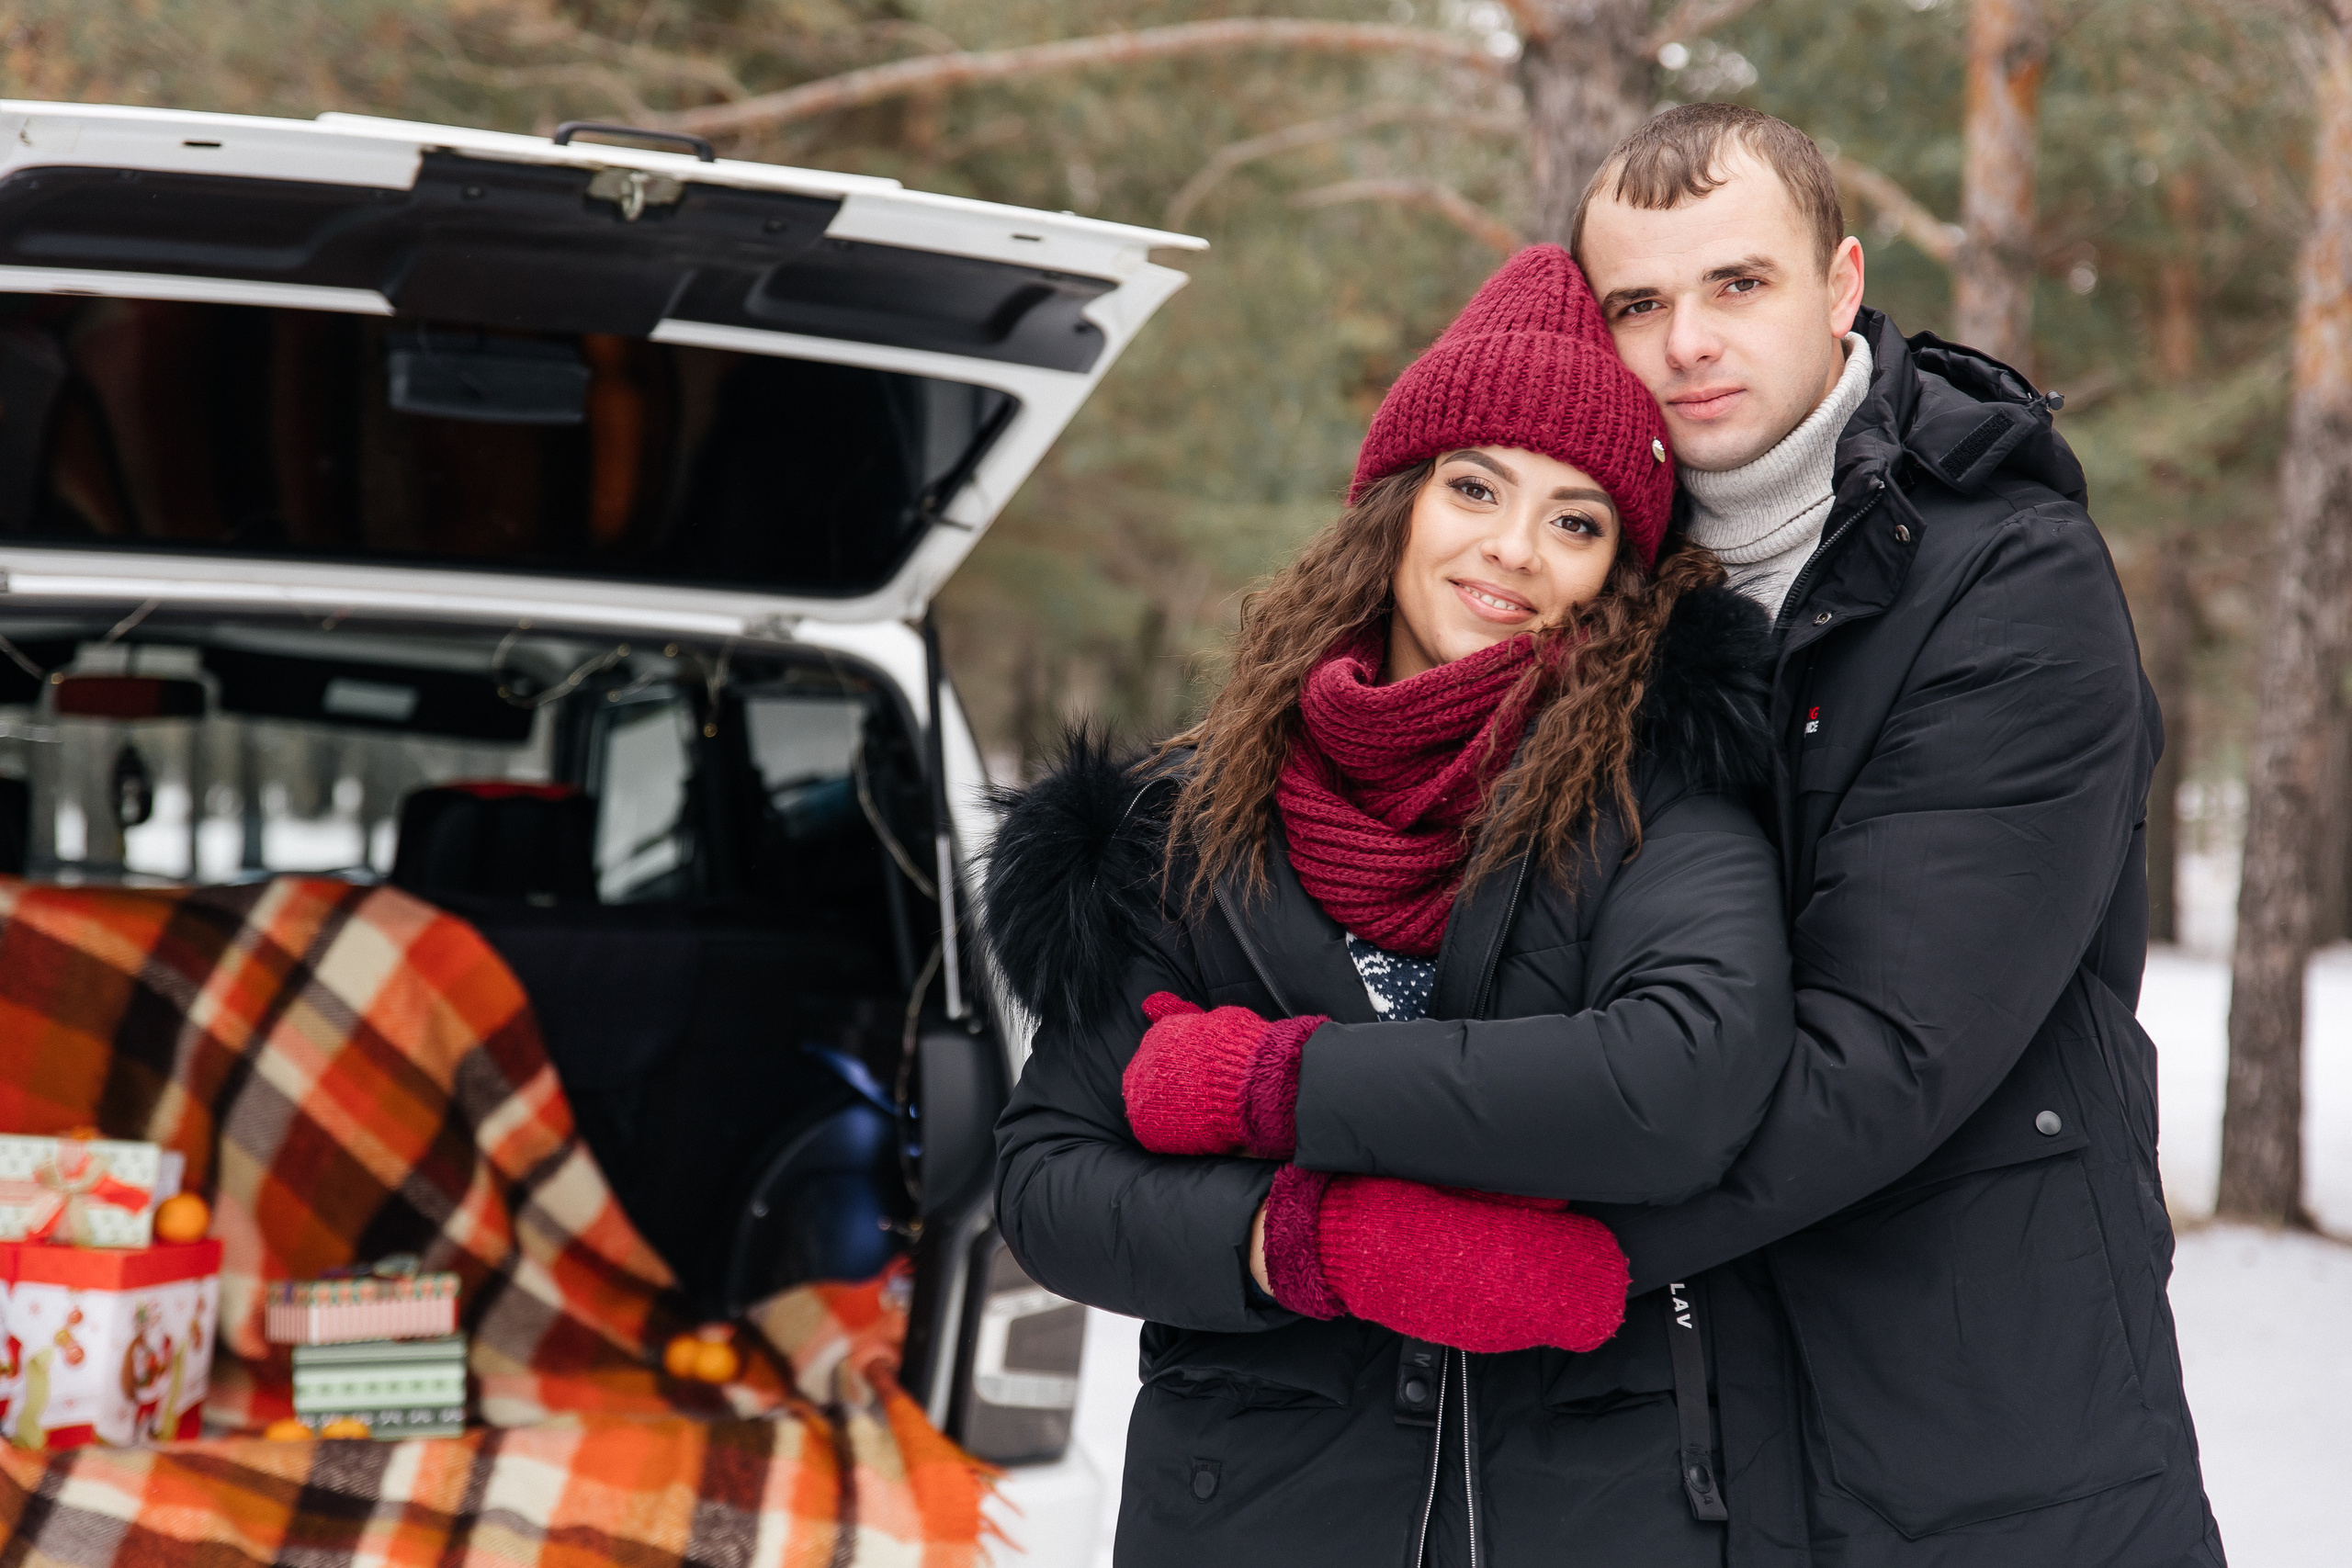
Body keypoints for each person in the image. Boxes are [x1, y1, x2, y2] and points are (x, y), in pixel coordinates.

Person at [987, 247, 1797, 1566]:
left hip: (1579, 1515)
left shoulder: (1661, 800)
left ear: (1621, 573)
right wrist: (1306, 1240)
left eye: (1576, 520)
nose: (1513, 551)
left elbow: (1681, 1077)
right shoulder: (1185, 820)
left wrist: (1270, 1090)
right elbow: (1053, 1177)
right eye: (1475, 487)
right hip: (1249, 1519)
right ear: (1398, 505)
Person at [1549, 104, 2214, 1565]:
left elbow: (1884, 1054)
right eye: (1639, 305)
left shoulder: (2009, 579)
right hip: (1677, 1432)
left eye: (1739, 285)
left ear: (1842, 283)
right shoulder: (1572, 586)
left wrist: (1503, 1239)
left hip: (1986, 1422)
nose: (1687, 344)